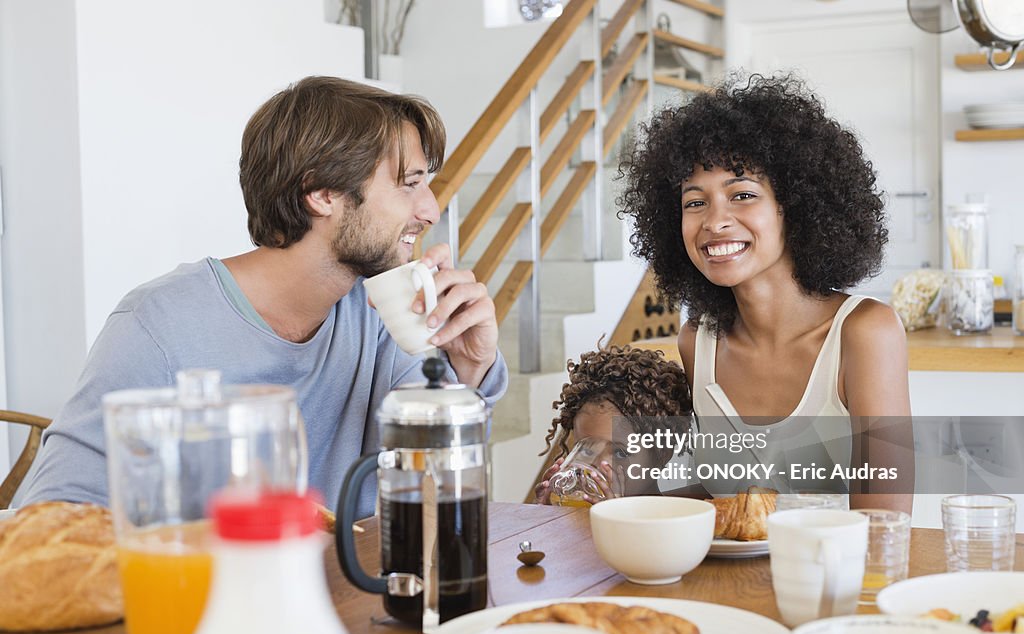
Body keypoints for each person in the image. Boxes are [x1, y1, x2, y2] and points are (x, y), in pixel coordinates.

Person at [18, 77, 508, 517]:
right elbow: (51, 524)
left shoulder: (382, 316)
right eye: (410, 184)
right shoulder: (158, 327)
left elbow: (437, 494)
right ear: (321, 194)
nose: (430, 209)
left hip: (351, 606)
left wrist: (469, 373)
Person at [619, 74, 913, 513]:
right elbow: (722, 496)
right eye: (694, 202)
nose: (715, 221)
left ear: (792, 206)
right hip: (719, 584)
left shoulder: (864, 333)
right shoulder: (697, 341)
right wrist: (622, 498)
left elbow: (884, 523)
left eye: (742, 195)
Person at [533, 342, 691, 504]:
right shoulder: (577, 507)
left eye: (620, 453)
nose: (597, 467)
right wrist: (544, 514)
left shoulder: (671, 521)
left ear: (662, 454)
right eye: (587, 451)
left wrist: (613, 519)